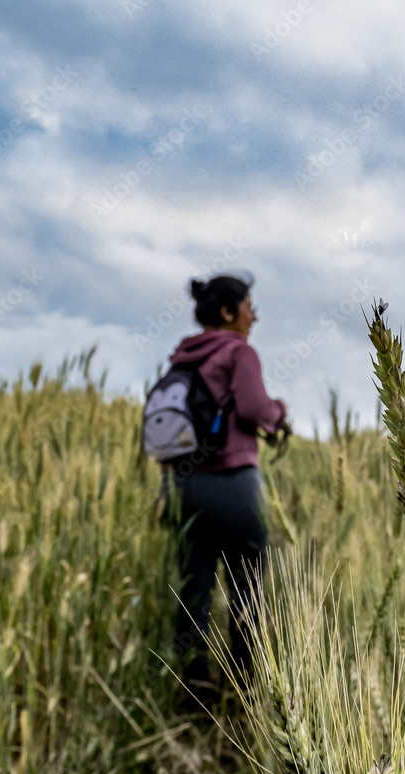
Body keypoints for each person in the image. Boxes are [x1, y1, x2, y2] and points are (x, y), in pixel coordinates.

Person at [161, 272, 288, 707]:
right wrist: (279, 412)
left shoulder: (181, 359)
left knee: (193, 590)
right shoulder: (239, 352)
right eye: (249, 306)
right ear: (228, 312)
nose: (254, 315)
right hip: (234, 485)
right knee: (246, 589)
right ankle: (242, 694)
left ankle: (193, 696)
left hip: (184, 486)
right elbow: (255, 409)